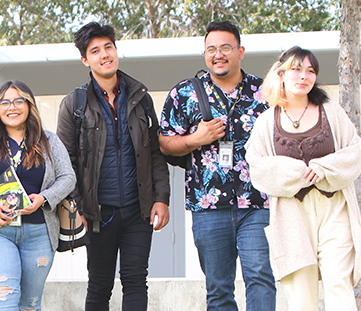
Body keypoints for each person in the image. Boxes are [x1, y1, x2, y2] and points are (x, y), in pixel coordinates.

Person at [158, 21, 276, 310]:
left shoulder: (267, 92)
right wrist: (195, 139)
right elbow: (164, 142)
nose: (218, 54)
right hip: (208, 207)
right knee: (219, 288)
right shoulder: (184, 93)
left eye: (225, 47)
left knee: (260, 277)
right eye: (211, 49)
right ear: (205, 54)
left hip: (259, 203)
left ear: (240, 52)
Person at [57, 22, 170, 311]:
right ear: (85, 60)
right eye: (95, 51)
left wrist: (161, 199)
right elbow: (65, 161)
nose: (104, 54)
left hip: (138, 209)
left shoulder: (140, 98)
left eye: (109, 47)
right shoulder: (75, 104)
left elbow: (155, 152)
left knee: (135, 280)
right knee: (99, 285)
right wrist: (76, 206)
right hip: (96, 214)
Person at [245, 46, 361, 311]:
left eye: (310, 70)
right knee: (301, 295)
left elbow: (355, 152)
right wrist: (298, 173)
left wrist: (325, 167)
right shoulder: (266, 121)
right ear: (281, 74)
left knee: (338, 284)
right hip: (292, 214)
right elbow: (258, 168)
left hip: (335, 209)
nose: (304, 76)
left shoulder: (331, 112)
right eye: (296, 69)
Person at [0, 80, 76, 310]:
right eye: (5, 102)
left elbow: (68, 177)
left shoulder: (49, 141)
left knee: (30, 305)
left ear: (29, 105)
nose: (11, 107)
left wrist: (44, 198)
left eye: (18, 100)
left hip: (39, 234)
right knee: (5, 301)